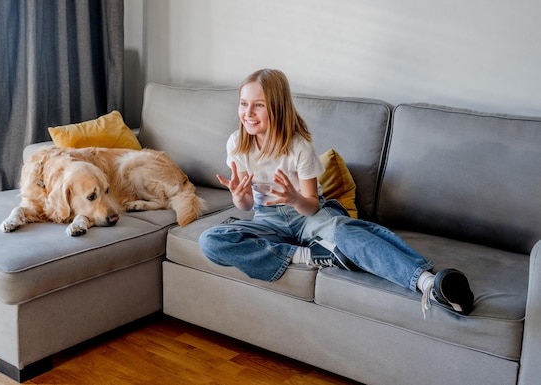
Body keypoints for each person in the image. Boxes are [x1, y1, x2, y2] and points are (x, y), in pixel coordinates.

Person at [199, 68, 474, 317]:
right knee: (211, 241)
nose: (248, 113)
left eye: (258, 105)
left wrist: (294, 198)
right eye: (244, 104)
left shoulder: (298, 145)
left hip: (308, 215)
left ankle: (429, 284)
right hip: (267, 219)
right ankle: (309, 255)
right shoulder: (237, 144)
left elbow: (311, 206)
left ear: (278, 108)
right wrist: (238, 195)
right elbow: (246, 206)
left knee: (349, 233)